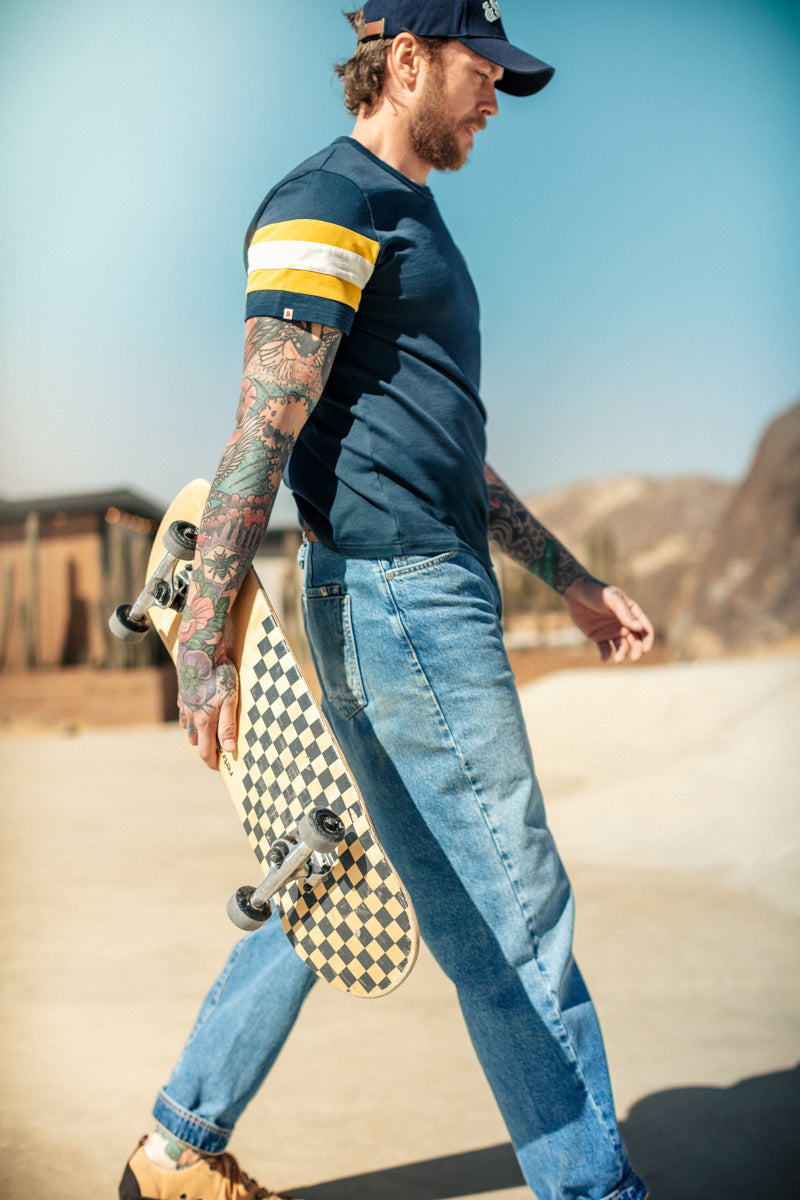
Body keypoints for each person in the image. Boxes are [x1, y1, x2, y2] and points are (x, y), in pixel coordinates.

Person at [120, 4, 654, 1199]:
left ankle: (176, 1144)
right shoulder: (330, 201)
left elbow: (449, 455)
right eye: (480, 72)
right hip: (404, 602)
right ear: (404, 61)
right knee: (517, 922)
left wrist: (569, 580)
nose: (493, 98)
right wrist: (203, 634)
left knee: (348, 875)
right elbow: (264, 426)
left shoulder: (405, 213)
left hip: (412, 591)